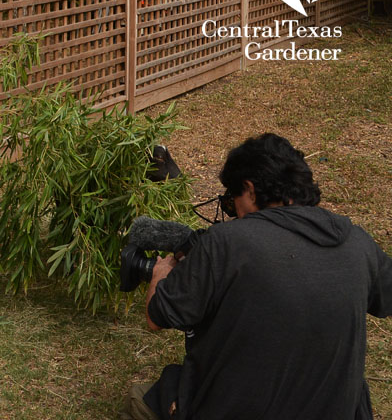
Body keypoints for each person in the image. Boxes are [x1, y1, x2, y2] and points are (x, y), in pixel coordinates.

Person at [123, 133, 392, 420]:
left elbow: (156, 318)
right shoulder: (357, 242)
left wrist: (161, 274)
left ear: (250, 190)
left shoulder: (226, 244)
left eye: (231, 199)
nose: (232, 211)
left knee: (139, 398)